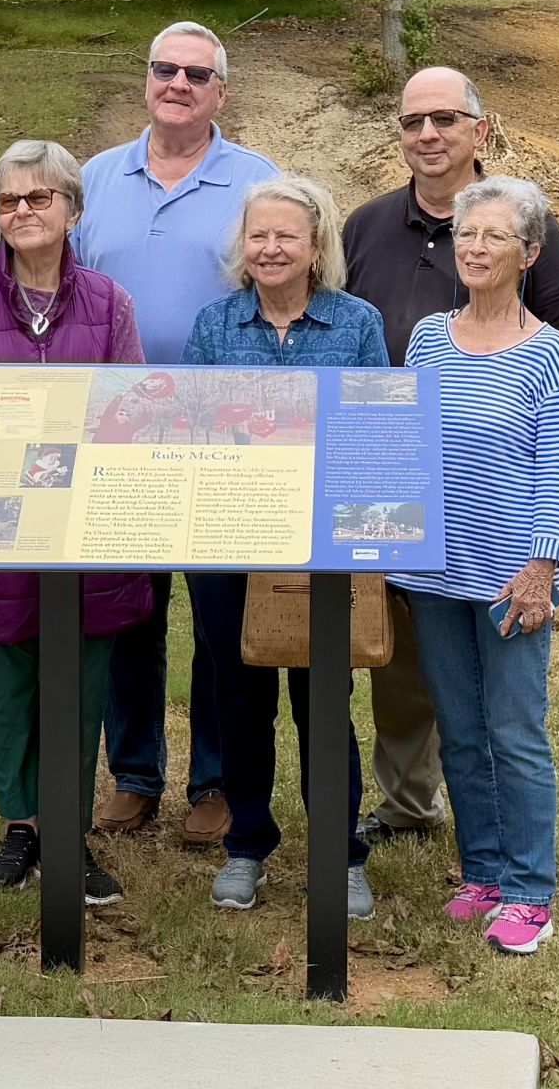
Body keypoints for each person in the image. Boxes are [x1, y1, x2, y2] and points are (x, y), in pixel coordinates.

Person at [340, 65, 559, 848]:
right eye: (414, 121)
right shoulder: (369, 230)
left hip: (503, 519)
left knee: (506, 713)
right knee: (415, 675)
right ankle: (419, 810)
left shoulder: (525, 231)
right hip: (412, 513)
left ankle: (516, 866)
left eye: (446, 119)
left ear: (478, 130)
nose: (428, 135)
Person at [0, 139, 152, 904]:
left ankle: (69, 830)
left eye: (38, 198)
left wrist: (67, 487)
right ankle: (20, 825)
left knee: (82, 680)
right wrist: (14, 482)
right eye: (8, 200)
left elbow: (128, 412)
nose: (21, 211)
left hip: (86, 524)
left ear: (72, 211)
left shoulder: (112, 302)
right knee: (9, 681)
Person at [72, 21, 276, 843]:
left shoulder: (258, 182)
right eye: (165, 68)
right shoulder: (94, 178)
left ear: (221, 92)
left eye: (197, 73)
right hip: (118, 427)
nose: (179, 83)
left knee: (221, 618)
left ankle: (216, 783)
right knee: (128, 612)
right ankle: (134, 774)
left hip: (224, 429)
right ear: (146, 79)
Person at [180, 175, 385, 920]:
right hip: (228, 545)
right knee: (239, 701)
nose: (269, 249)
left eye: (285, 236)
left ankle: (342, 855)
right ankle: (247, 847)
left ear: (315, 246)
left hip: (322, 550)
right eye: (258, 236)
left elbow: (375, 436)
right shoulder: (214, 326)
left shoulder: (357, 325)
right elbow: (194, 432)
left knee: (323, 702)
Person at [399, 175, 559, 956]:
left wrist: (543, 567)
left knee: (515, 732)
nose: (474, 249)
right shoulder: (427, 340)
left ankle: (530, 890)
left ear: (529, 253)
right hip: (433, 570)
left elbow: (557, 471)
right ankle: (481, 873)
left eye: (494, 237)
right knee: (462, 733)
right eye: (466, 236)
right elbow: (399, 447)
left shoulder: (545, 354)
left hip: (511, 576)